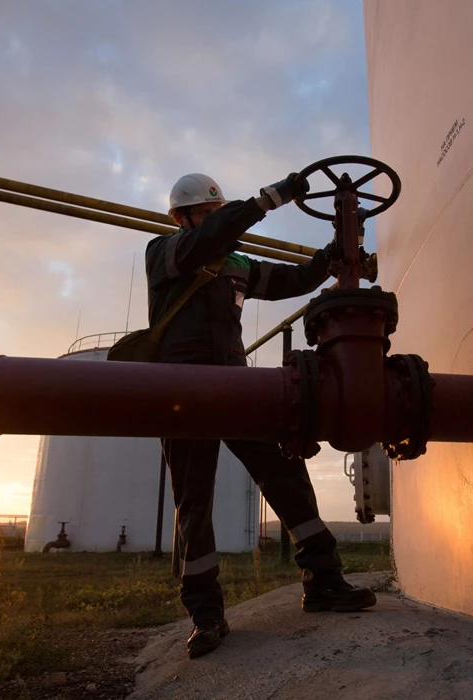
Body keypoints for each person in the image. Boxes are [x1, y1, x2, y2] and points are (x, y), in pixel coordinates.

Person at [145, 172, 377, 659]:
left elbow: (288, 280)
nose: (211, 221)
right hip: (183, 391)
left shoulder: (236, 265)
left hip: (235, 385)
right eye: (203, 214)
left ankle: (324, 582)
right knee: (195, 504)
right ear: (182, 218)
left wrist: (327, 258)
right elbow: (209, 239)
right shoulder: (165, 252)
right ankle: (206, 616)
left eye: (215, 212)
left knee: (285, 472)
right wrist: (268, 200)